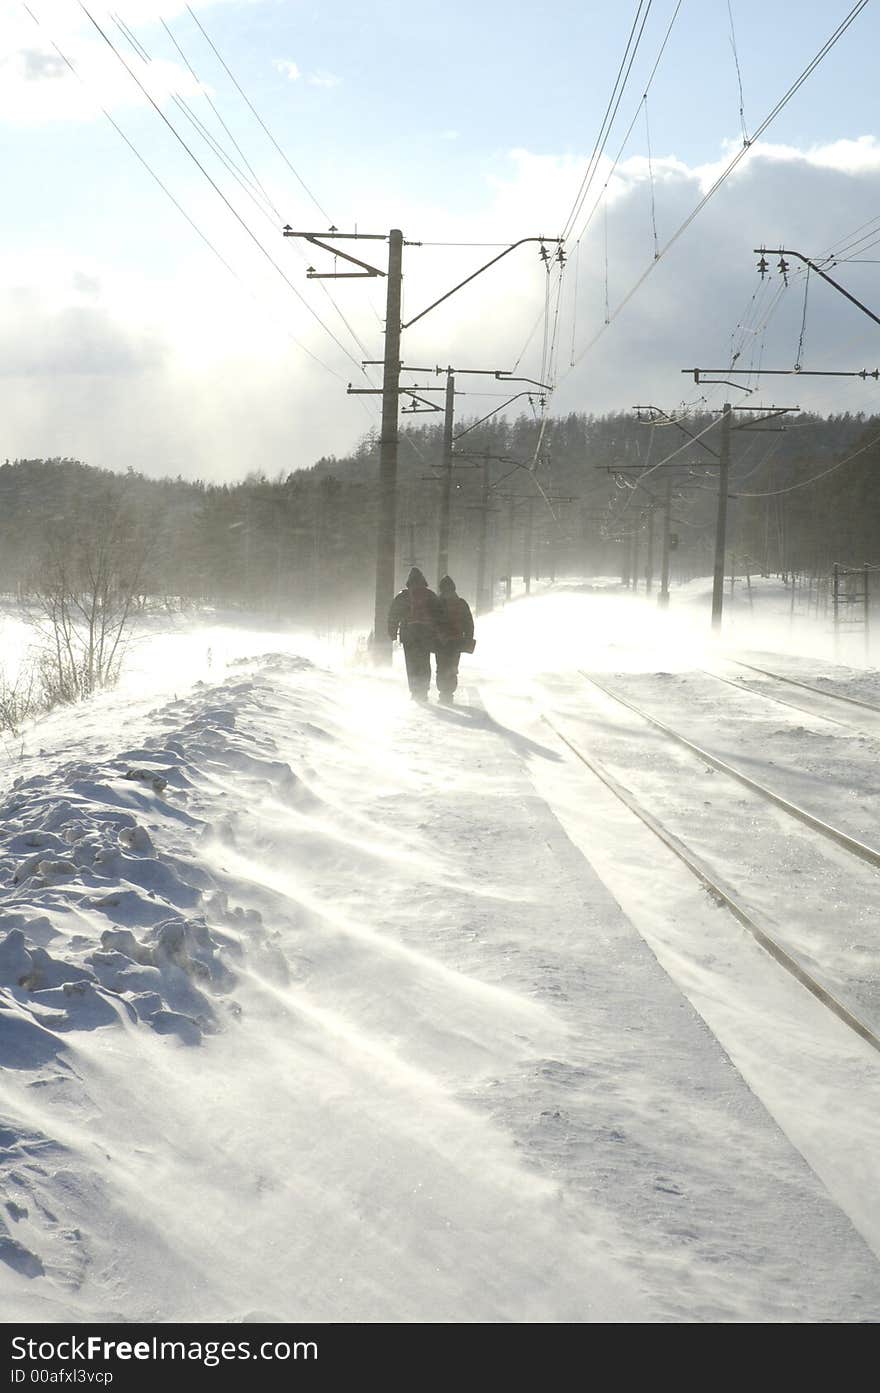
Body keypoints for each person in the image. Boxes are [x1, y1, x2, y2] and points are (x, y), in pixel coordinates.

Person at [387, 567, 440, 701]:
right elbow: (439, 615)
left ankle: (414, 691)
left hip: (408, 635)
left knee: (411, 663)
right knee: (424, 662)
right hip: (425, 635)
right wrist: (437, 633)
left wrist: (392, 633)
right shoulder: (430, 595)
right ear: (423, 580)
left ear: (408, 581)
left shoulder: (403, 596)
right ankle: (423, 690)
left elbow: (393, 615)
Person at [434, 575, 474, 706]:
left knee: (441, 667)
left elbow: (432, 622)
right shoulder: (461, 603)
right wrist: (468, 639)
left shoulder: (437, 603)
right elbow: (469, 623)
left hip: (441, 641)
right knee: (452, 667)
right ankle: (449, 693)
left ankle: (443, 693)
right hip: (456, 641)